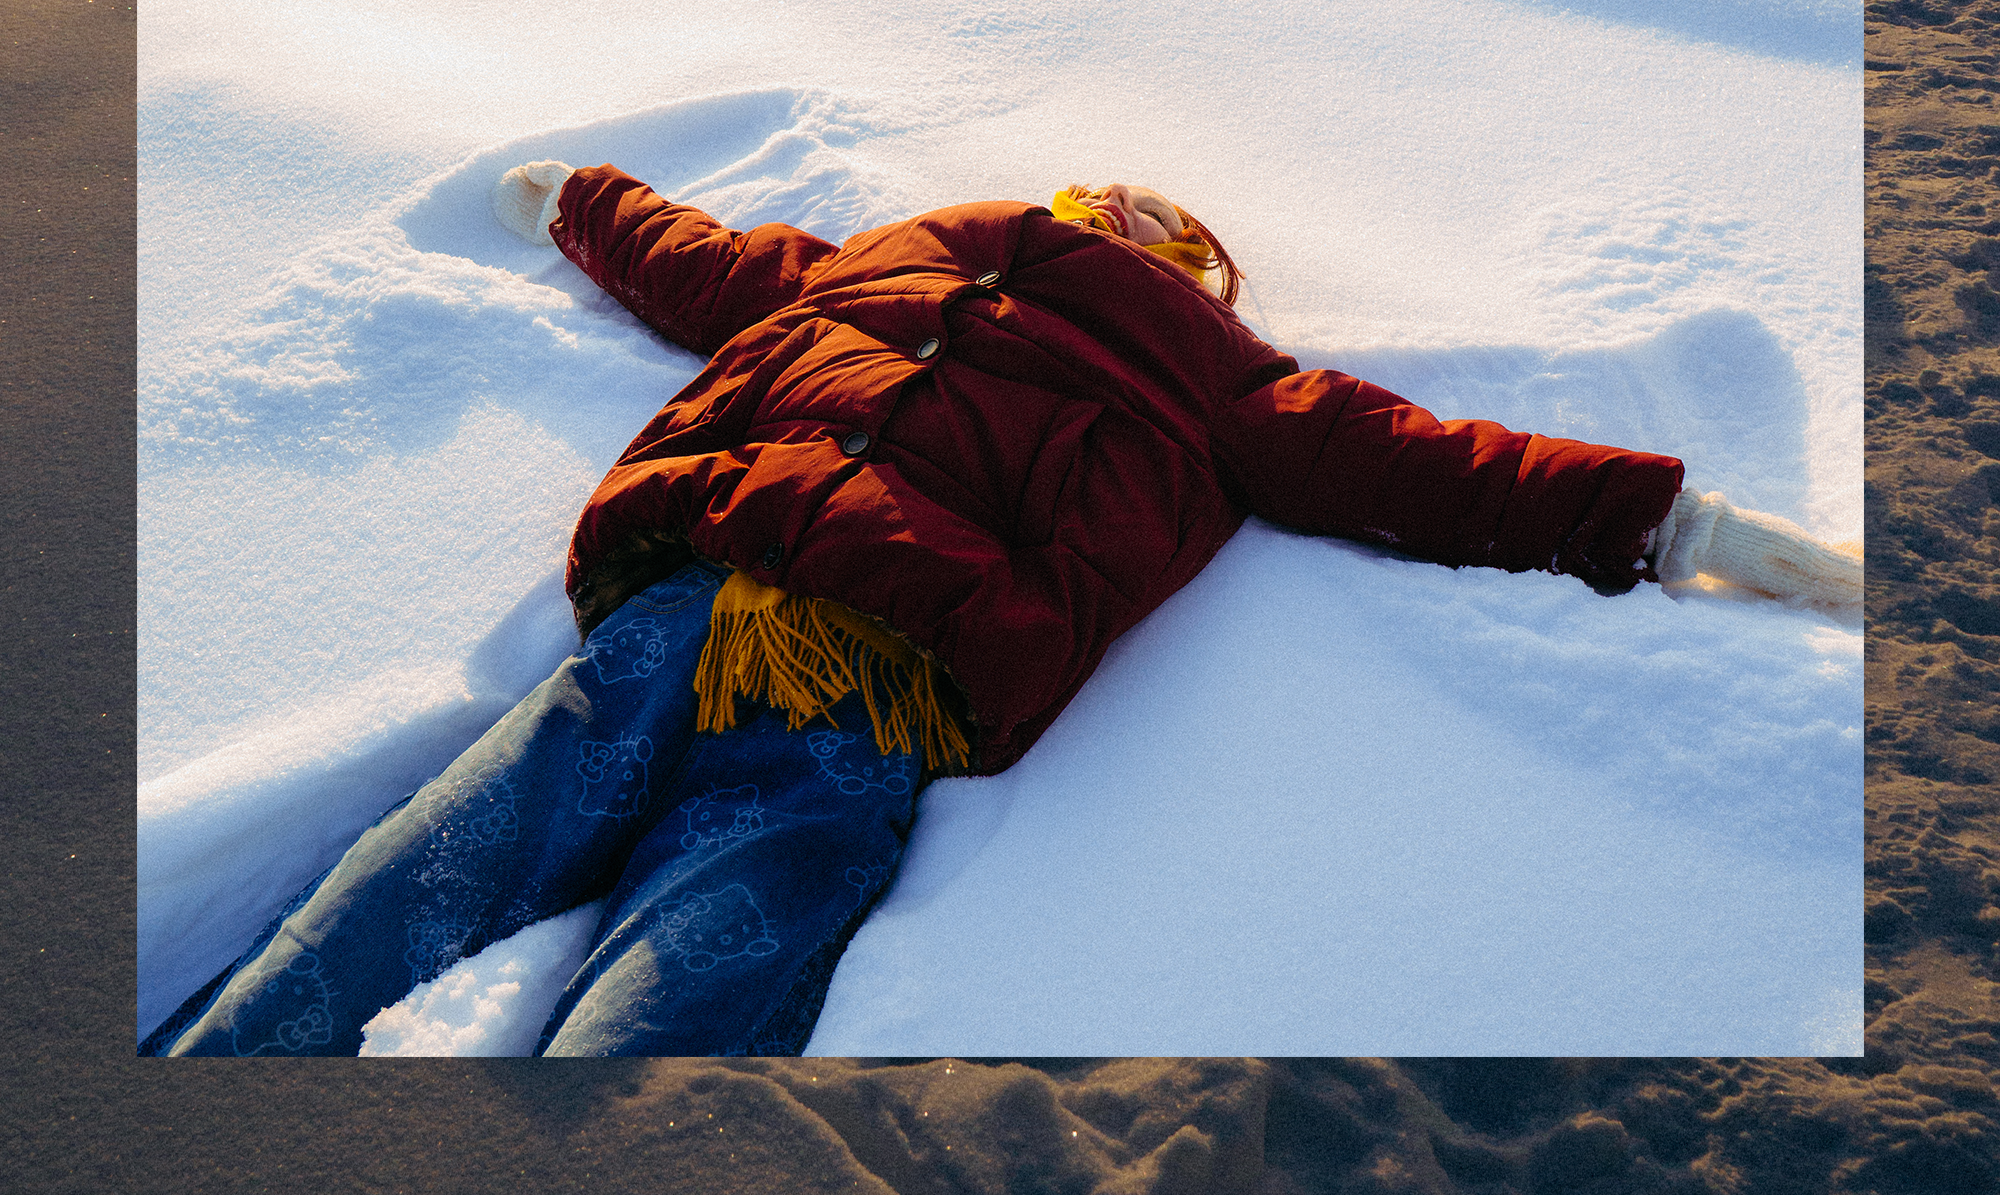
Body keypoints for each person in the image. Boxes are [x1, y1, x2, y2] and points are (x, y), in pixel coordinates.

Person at [163, 169, 1860, 1059]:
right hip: (726, 627)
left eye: (1174, 237)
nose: (1145, 231)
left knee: (593, 944)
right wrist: (578, 200)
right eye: (1130, 211)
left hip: (836, 665)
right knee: (474, 909)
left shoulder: (1220, 380)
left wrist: (1677, 520)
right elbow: (693, 259)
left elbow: (1437, 467)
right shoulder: (894, 265)